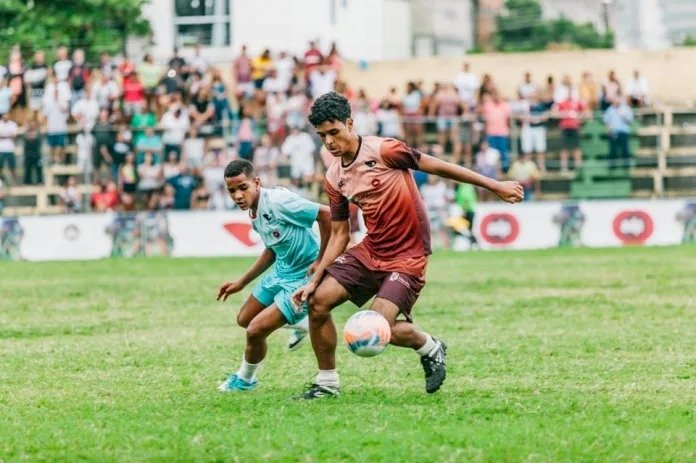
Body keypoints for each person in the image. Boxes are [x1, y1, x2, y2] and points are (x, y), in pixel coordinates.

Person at [291, 92, 523, 399]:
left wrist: (495, 186)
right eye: (322, 136)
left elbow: (438, 167)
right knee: (317, 302)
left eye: (334, 132)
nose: (330, 142)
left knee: (375, 330)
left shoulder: (385, 149)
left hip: (408, 257)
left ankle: (429, 345)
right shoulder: (334, 177)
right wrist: (316, 276)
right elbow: (339, 234)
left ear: (350, 123)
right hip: (371, 250)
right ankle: (327, 383)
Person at [216, 159, 332, 392]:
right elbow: (271, 249)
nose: (237, 195)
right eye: (231, 191)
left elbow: (327, 215)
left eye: (242, 188)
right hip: (281, 270)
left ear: (256, 182)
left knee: (255, 330)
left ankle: (246, 380)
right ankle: (300, 324)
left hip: (302, 277)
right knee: (244, 319)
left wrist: (322, 260)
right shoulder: (253, 210)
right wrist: (241, 282)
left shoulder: (280, 201)